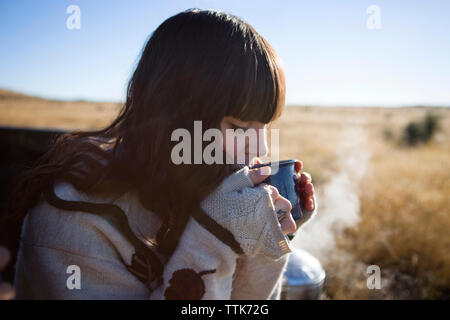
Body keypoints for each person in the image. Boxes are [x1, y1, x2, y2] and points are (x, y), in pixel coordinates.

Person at [8, 9, 316, 299]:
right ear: (175, 117)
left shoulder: (198, 188)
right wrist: (216, 234)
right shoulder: (72, 222)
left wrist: (264, 237)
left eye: (265, 126)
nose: (261, 148)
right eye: (238, 127)